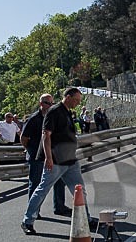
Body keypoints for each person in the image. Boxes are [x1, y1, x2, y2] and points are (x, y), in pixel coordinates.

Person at [21, 87, 96, 234]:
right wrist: (48, 157)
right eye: (76, 100)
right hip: (55, 160)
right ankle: (27, 221)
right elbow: (46, 135)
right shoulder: (54, 111)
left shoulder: (67, 112)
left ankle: (86, 218)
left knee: (80, 191)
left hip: (70, 159)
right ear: (68, 97)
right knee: (42, 190)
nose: (77, 103)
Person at [20, 94, 70, 216]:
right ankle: (33, 211)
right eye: (48, 103)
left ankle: (59, 206)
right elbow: (23, 138)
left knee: (59, 181)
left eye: (52, 103)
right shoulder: (33, 119)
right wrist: (30, 149)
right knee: (36, 184)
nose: (51, 106)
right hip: (37, 157)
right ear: (41, 104)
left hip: (52, 154)